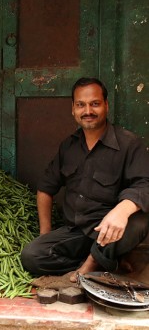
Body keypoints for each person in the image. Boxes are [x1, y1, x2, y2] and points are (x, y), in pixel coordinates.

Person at [21, 77, 149, 281]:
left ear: (106, 105)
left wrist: (121, 211)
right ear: (73, 108)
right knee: (31, 257)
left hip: (112, 231)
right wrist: (45, 233)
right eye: (81, 105)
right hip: (76, 232)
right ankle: (107, 260)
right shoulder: (69, 147)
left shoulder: (129, 144)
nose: (87, 111)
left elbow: (145, 185)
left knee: (140, 220)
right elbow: (45, 188)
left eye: (95, 104)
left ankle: (92, 263)